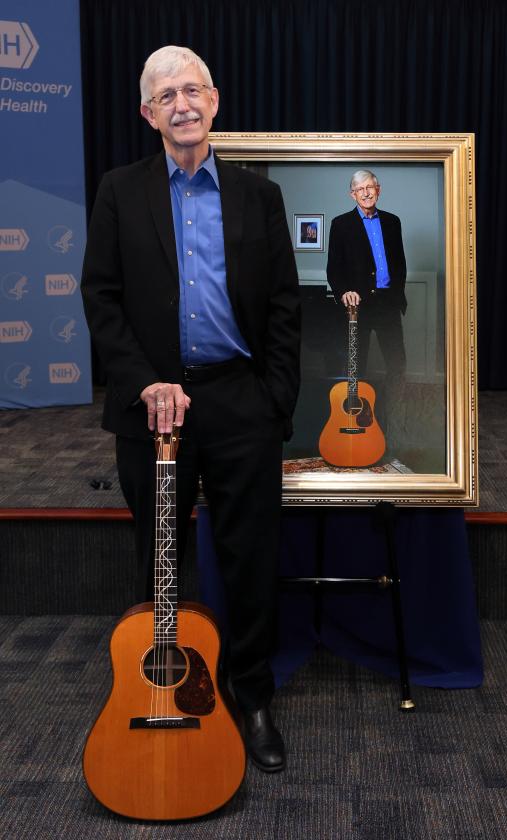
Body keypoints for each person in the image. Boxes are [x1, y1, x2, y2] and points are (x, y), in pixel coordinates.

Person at [81, 45, 300, 773]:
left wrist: (273, 404)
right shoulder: (118, 190)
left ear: (215, 102)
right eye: (165, 94)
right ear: (149, 114)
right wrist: (144, 382)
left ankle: (251, 693)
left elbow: (281, 309)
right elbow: (102, 299)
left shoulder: (256, 196)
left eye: (193, 90)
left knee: (250, 557)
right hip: (153, 405)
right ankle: (165, 691)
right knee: (160, 557)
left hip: (240, 400)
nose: (182, 104)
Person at [326, 170, 407, 454]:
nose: (366, 193)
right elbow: (333, 269)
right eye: (360, 189)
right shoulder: (341, 224)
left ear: (378, 189)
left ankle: (395, 424)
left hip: (388, 305)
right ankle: (361, 423)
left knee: (397, 365)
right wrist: (343, 291)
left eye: (370, 187)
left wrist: (399, 295)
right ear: (352, 194)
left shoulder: (393, 222)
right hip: (357, 307)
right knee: (356, 368)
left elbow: (400, 263)